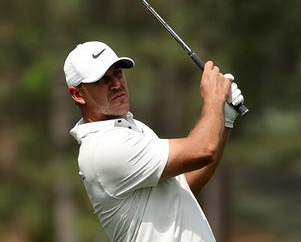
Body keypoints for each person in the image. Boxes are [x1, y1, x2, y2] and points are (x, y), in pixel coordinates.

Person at [63, 41, 244, 241]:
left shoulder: (135, 129)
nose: (116, 84)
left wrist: (224, 120)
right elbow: (203, 150)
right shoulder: (104, 147)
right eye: (102, 80)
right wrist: (214, 98)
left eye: (117, 73)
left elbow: (184, 188)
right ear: (78, 94)